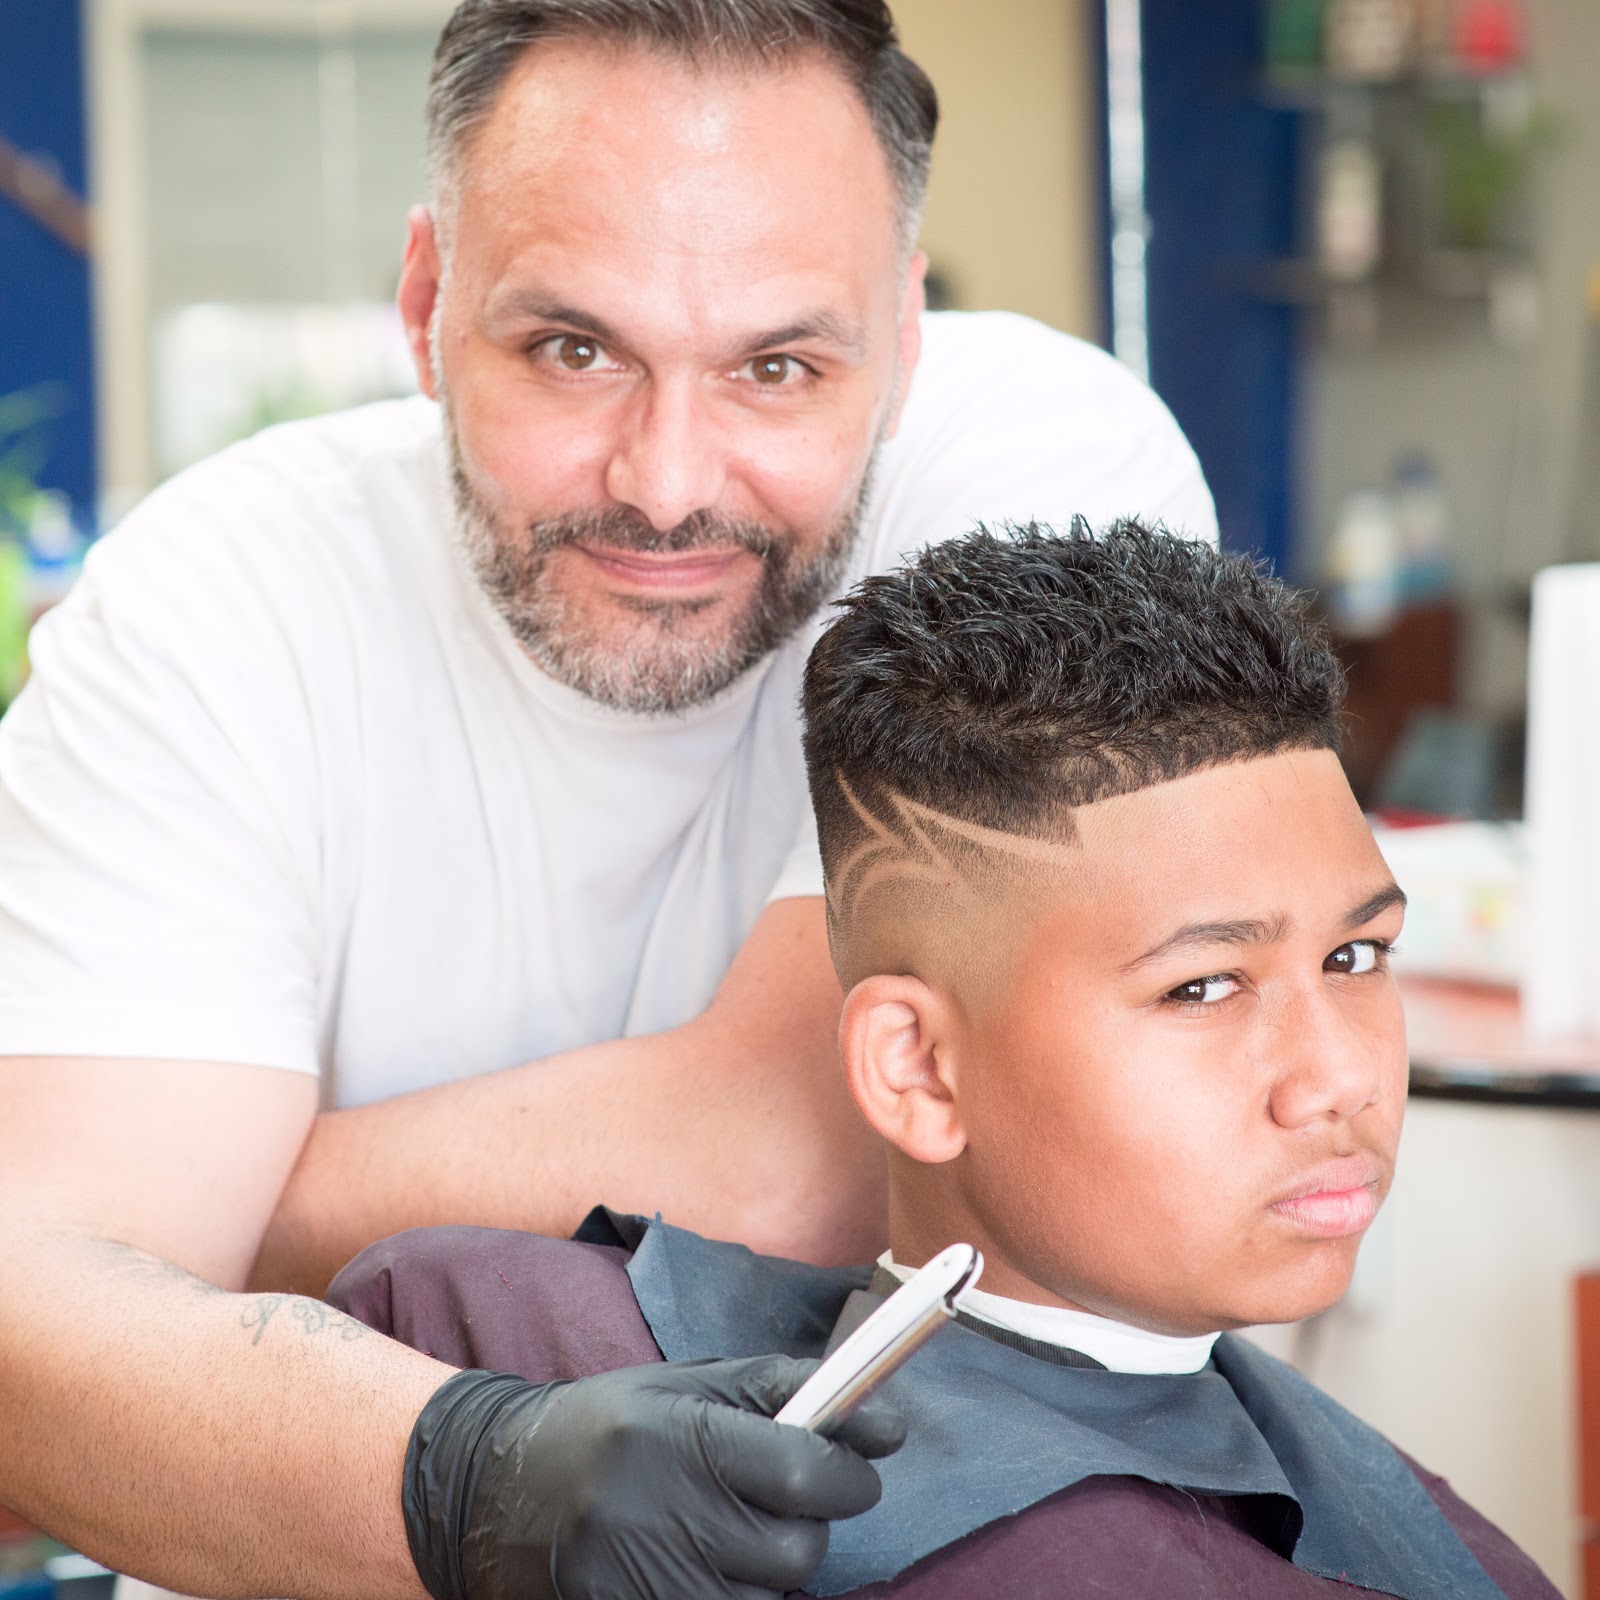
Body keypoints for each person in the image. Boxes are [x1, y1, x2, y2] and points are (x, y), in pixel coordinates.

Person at [0, 2, 1216, 1594]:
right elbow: (33, 1340)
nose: (665, 478)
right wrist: (462, 1481)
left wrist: (213, 1221)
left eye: (777, 365)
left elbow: (804, 1146)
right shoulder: (216, 600)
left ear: (902, 342)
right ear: (428, 300)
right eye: (573, 350)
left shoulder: (1048, 473)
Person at [328, 523, 1559, 1599]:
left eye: (1357, 957)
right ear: (915, 1068)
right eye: (1201, 986)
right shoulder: (476, 1346)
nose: (1336, 1078)